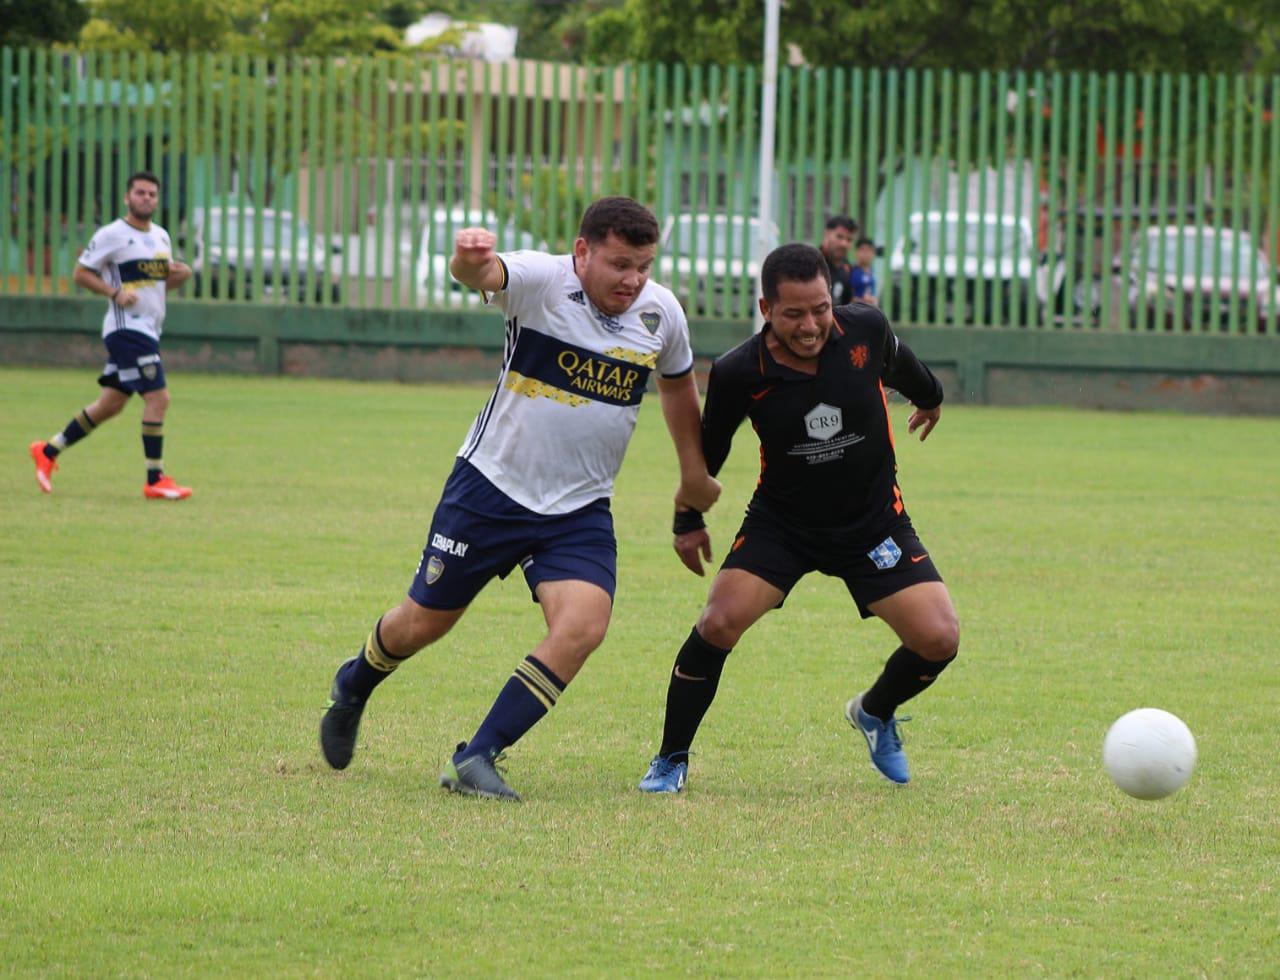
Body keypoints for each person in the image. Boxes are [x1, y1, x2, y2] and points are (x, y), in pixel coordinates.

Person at [319, 196, 721, 801]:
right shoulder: (541, 281)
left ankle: (477, 755)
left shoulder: (660, 313)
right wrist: (466, 259)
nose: (632, 280)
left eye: (643, 265)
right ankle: (357, 681)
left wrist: (693, 477)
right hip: (490, 489)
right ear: (582, 251)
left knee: (584, 625)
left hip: (580, 509)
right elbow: (483, 275)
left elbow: (677, 389)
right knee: (423, 623)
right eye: (618, 264)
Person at [638, 242, 958, 794]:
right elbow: (708, 454)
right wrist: (687, 518)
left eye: (819, 309)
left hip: (873, 524)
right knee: (717, 623)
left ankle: (875, 712)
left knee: (940, 638)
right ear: (766, 309)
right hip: (782, 527)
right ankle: (671, 759)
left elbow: (901, 364)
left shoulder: (865, 329)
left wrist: (930, 396)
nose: (810, 326)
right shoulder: (740, 371)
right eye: (793, 314)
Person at [28, 170, 193, 499]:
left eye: (151, 194)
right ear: (127, 197)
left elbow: (159, 284)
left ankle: (48, 451)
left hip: (148, 329)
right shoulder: (113, 234)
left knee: (111, 404)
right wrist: (114, 293)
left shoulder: (161, 237)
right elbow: (80, 273)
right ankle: (155, 478)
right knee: (159, 399)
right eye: (140, 193)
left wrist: (181, 275)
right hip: (126, 329)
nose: (146, 198)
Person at [819, 215, 858, 306]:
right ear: (826, 234)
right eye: (839, 237)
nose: (844, 244)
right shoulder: (812, 264)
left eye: (849, 240)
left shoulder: (847, 268)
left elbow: (847, 304)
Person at [851, 236, 879, 306]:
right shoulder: (852, 271)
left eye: (869, 250)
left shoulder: (871, 271)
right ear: (856, 252)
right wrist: (864, 302)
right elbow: (848, 298)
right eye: (863, 250)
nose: (866, 254)